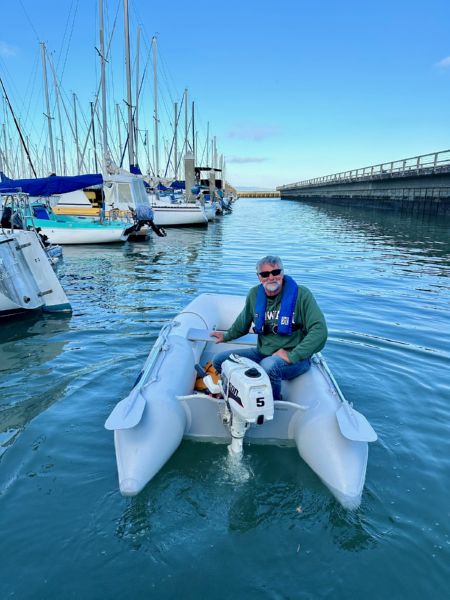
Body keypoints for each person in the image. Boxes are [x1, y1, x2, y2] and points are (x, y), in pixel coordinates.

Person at [211, 255, 328, 401]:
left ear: (282, 273)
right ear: (259, 277)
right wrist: (226, 336)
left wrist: (292, 355)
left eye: (275, 272)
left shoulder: (302, 295)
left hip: (296, 358)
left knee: (269, 366)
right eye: (265, 274)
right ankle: (234, 396)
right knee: (220, 360)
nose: (271, 277)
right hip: (263, 352)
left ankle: (274, 403)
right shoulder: (254, 294)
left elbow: (320, 330)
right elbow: (243, 322)